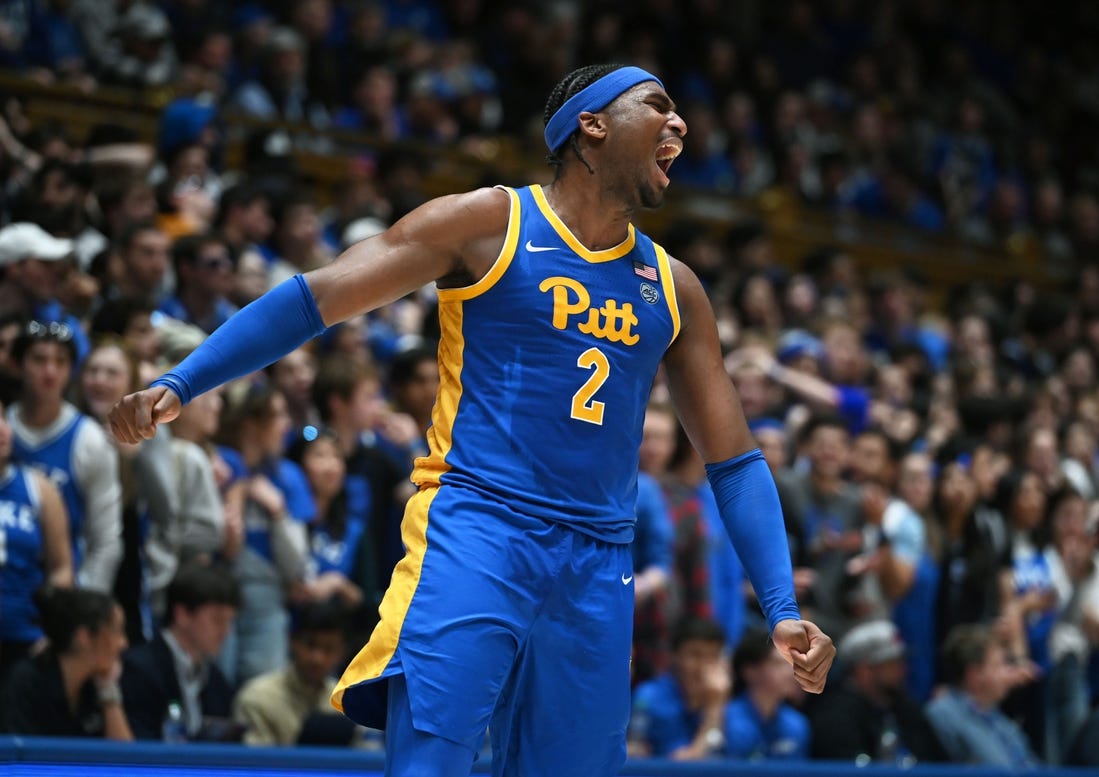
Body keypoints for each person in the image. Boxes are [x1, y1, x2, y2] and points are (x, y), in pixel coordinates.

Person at [110, 63, 835, 776]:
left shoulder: (673, 287)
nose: (679, 122)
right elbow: (315, 296)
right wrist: (184, 379)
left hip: (597, 562)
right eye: (657, 105)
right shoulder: (490, 222)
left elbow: (733, 459)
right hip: (479, 525)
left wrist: (780, 605)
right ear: (591, 126)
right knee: (431, 761)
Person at [119, 560, 240, 742]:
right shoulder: (139, 671)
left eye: (229, 622)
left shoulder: (217, 681)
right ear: (182, 615)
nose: (226, 631)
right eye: (217, 620)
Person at [0, 586, 132, 740]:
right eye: (117, 631)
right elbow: (15, 755)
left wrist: (108, 692)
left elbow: (126, 759)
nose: (124, 643)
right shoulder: (25, 682)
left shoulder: (97, 685)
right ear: (84, 637)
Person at [233, 600, 357, 746]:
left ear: (342, 653)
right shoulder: (257, 698)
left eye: (329, 649)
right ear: (292, 641)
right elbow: (254, 763)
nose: (317, 658)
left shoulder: (349, 703)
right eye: (310, 644)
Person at [925, 623, 1040, 767]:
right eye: (998, 666)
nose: (1007, 674)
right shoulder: (943, 715)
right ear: (974, 675)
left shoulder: (999, 720)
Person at [628, 617, 732, 760]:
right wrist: (714, 709)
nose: (704, 666)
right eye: (696, 655)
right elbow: (683, 765)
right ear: (674, 656)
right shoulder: (650, 697)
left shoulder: (729, 699)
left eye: (713, 656)